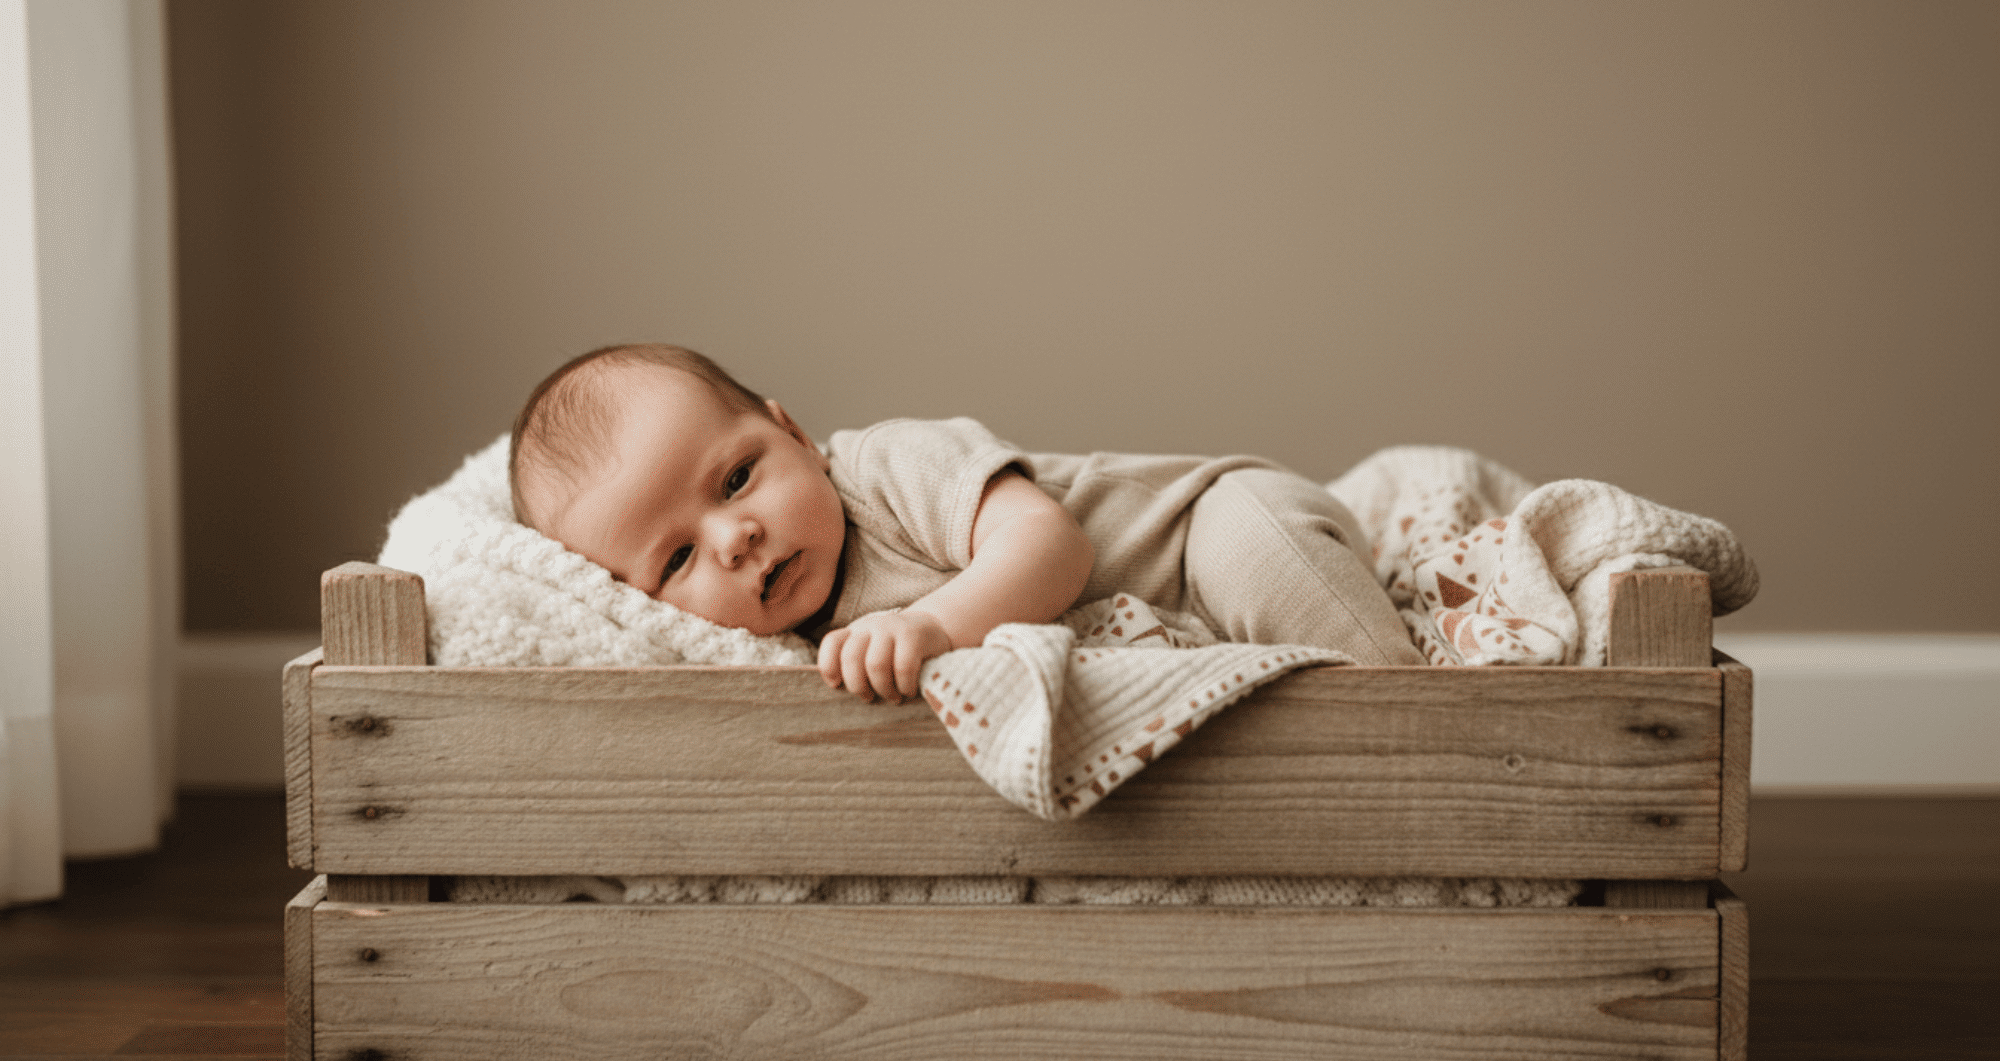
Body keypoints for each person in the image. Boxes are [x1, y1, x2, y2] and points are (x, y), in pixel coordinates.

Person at [510, 344, 1424, 702]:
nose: (734, 536)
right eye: (675, 559)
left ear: (794, 433)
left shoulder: (883, 468)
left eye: (739, 476)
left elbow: (1051, 547)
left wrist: (935, 623)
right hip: (1189, 644)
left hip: (1210, 527)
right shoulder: (783, 645)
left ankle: (1422, 727)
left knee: (1254, 561)